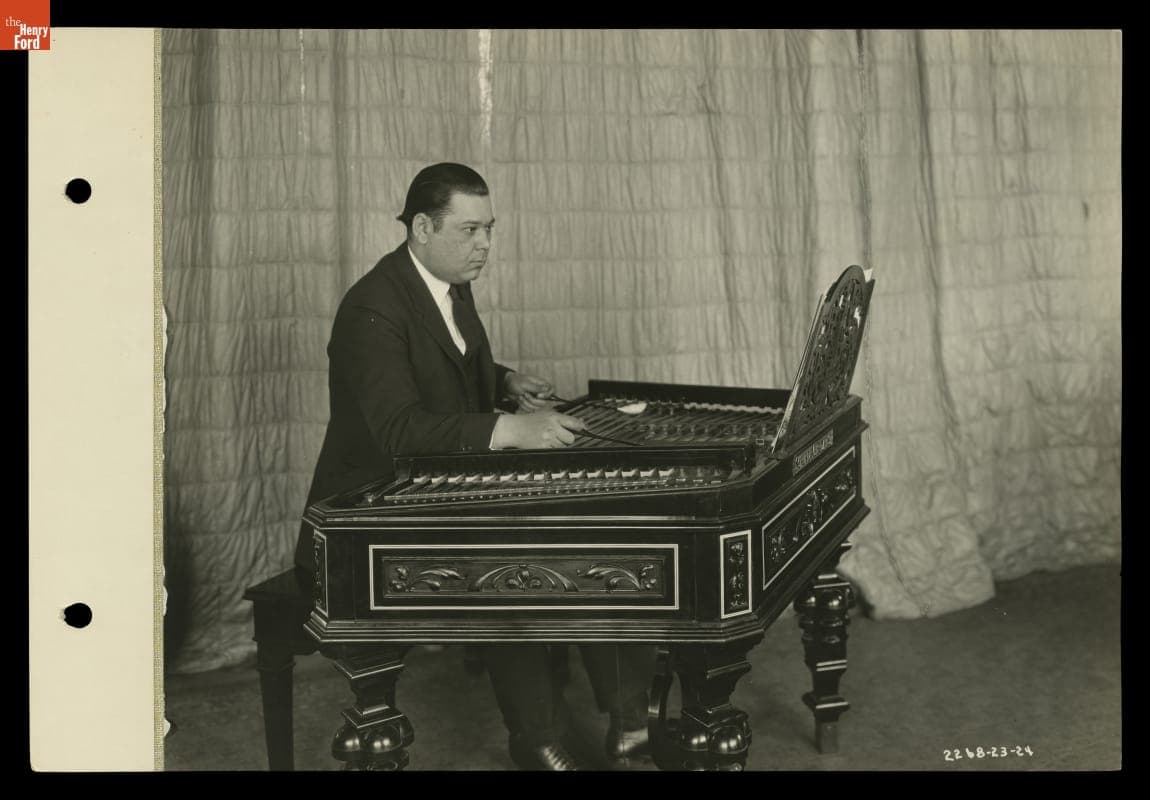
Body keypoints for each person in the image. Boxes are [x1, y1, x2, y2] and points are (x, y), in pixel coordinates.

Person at [294, 162, 653, 770]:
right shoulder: (370, 309)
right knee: (510, 561)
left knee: (590, 529)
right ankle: (536, 737)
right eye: (470, 230)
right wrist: (511, 430)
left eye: (489, 228)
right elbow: (399, 429)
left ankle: (630, 722)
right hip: (367, 513)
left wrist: (504, 381)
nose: (485, 244)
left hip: (437, 483)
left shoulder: (448, 282)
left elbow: (448, 371)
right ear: (423, 228)